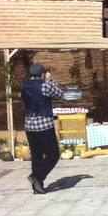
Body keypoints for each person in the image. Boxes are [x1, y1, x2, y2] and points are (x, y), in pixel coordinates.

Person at [21, 63, 64, 194]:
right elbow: (60, 94)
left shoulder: (24, 85)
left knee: (36, 155)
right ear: (42, 74)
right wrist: (50, 80)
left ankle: (37, 187)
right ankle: (37, 177)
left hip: (29, 124)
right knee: (53, 155)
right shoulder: (45, 85)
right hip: (44, 124)